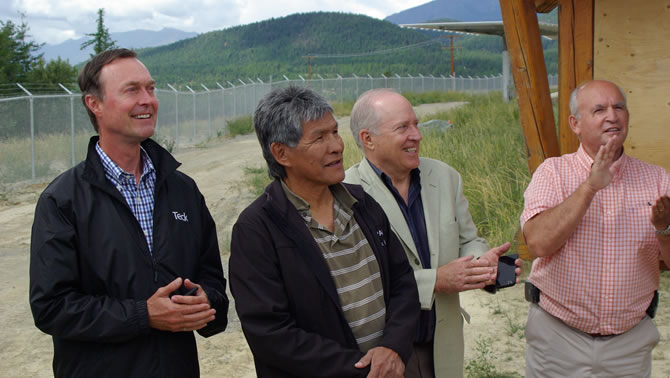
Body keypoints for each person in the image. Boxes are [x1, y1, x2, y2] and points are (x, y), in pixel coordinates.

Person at [29, 48, 229, 378]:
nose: (148, 100)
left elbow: (212, 279)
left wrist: (206, 301)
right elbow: (51, 307)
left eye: (150, 89)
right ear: (94, 104)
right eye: (131, 89)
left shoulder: (183, 191)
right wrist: (142, 315)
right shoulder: (62, 200)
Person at [229, 86, 420, 377]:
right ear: (281, 153)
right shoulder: (257, 229)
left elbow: (403, 283)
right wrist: (363, 370)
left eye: (334, 131)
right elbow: (270, 335)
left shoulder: (363, 205)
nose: (337, 146)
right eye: (319, 137)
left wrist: (392, 347)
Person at [344, 88, 519, 378]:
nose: (417, 135)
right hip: (385, 352)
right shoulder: (347, 193)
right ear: (368, 139)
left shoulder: (446, 177)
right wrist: (436, 281)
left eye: (415, 124)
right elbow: (355, 280)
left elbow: (468, 239)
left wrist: (481, 263)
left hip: (442, 345)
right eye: (403, 127)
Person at [521, 79, 670, 377]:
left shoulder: (657, 179)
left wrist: (664, 230)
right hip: (558, 339)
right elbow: (538, 243)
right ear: (575, 124)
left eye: (619, 107)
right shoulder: (553, 173)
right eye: (599, 109)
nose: (612, 116)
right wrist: (590, 187)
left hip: (629, 345)